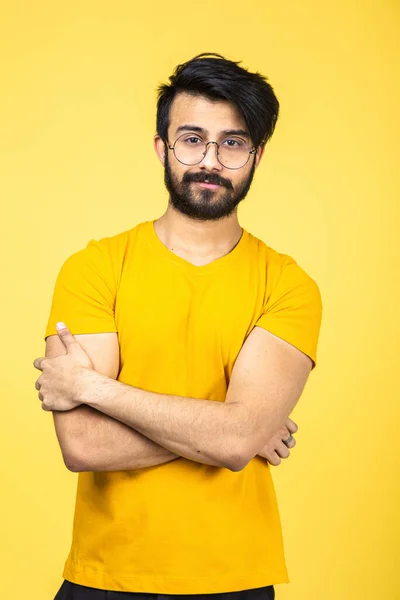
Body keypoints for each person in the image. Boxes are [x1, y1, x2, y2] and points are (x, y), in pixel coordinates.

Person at [34, 53, 323, 600]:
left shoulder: (287, 285)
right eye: (191, 138)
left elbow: (237, 442)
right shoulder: (95, 267)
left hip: (233, 576)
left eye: (232, 142)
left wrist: (93, 388)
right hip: (105, 574)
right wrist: (236, 426)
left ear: (257, 155)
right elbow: (83, 445)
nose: (209, 160)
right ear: (162, 147)